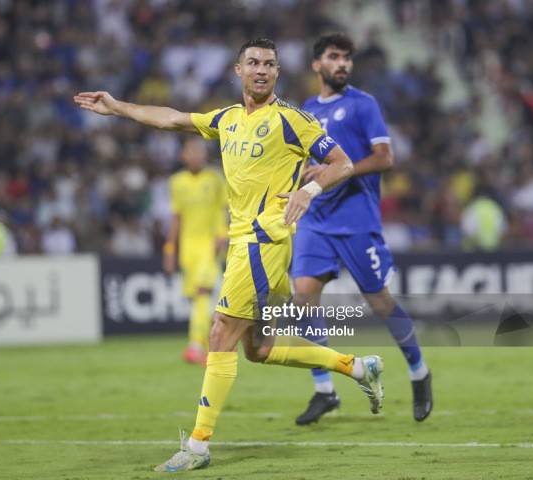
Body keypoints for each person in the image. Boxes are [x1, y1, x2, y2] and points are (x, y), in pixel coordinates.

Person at [74, 38, 384, 473]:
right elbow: (172, 119)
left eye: (270, 64)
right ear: (238, 70)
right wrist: (118, 106)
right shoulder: (226, 118)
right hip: (250, 245)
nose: (261, 70)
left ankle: (198, 445)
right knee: (257, 349)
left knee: (219, 333)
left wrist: (308, 190)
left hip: (263, 242)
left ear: (277, 72)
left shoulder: (292, 119)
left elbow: (343, 162)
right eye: (253, 63)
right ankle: (357, 367)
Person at [291, 33, 432, 426]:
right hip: (316, 220)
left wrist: (339, 170)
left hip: (356, 219)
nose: (343, 64)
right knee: (303, 299)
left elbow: (385, 158)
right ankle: (324, 390)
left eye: (347, 58)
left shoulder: (363, 104)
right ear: (317, 65)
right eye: (334, 57)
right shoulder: (304, 110)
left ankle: (419, 372)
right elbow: (307, 161)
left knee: (381, 303)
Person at [163, 137, 228, 365]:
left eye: (199, 151)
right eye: (191, 151)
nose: (196, 155)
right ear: (183, 157)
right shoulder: (176, 182)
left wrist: (222, 234)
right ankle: (210, 346)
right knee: (198, 298)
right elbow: (176, 217)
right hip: (187, 247)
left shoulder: (215, 178)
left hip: (209, 245)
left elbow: (224, 209)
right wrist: (169, 249)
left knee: (202, 292)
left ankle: (195, 345)